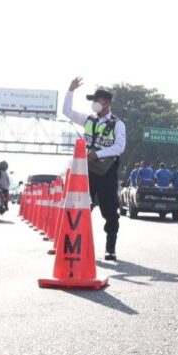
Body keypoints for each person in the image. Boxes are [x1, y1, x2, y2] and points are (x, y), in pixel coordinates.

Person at [63, 77, 126, 261]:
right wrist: (70, 90)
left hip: (107, 172)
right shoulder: (88, 119)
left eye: (96, 100)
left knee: (110, 212)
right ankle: (77, 246)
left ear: (106, 102)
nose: (93, 104)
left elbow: (120, 147)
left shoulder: (117, 124)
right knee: (82, 208)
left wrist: (97, 154)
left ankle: (110, 248)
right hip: (87, 171)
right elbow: (67, 111)